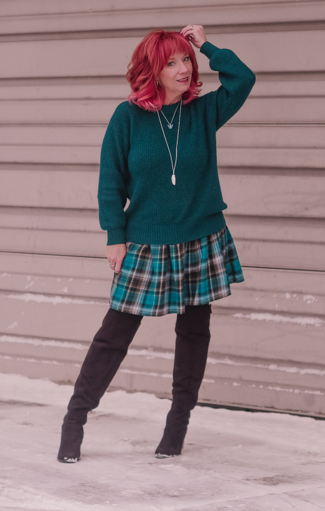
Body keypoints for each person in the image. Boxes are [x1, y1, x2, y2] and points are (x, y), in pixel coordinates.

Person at [57, 24, 256, 463]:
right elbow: (110, 182)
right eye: (172, 62)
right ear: (152, 69)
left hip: (201, 237)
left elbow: (244, 78)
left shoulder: (204, 112)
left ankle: (177, 423)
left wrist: (207, 45)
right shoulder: (127, 117)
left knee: (193, 333)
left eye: (187, 59)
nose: (184, 69)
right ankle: (75, 418)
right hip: (146, 242)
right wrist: (115, 236)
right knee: (114, 335)